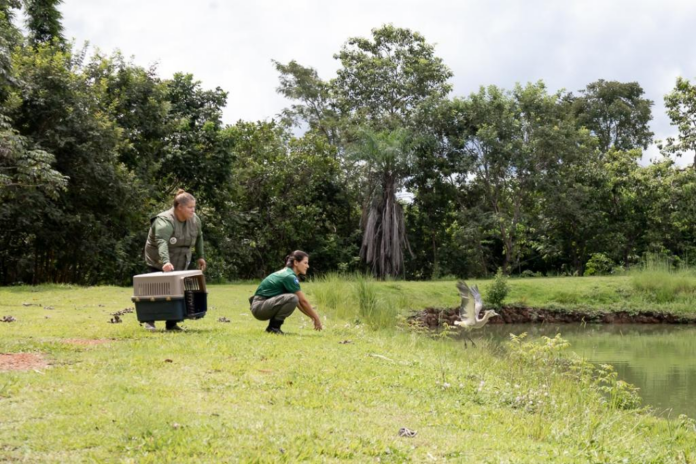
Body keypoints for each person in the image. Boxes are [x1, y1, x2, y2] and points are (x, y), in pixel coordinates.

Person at [142, 189, 207, 331]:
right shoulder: (164, 221)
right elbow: (161, 242)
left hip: (180, 260)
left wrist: (201, 256)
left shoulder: (195, 220)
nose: (193, 210)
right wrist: (165, 262)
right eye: (190, 207)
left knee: (178, 292)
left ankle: (172, 324)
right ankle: (149, 321)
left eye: (194, 207)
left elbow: (199, 237)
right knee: (155, 291)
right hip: (158, 261)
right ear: (180, 207)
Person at [250, 250, 323, 334]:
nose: (308, 266)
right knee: (293, 298)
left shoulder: (288, 273)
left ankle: (273, 328)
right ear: (296, 262)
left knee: (293, 298)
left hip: (260, 306)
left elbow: (299, 303)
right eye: (305, 263)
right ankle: (273, 328)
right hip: (259, 307)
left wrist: (312, 317)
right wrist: (316, 317)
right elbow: (303, 301)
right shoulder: (289, 276)